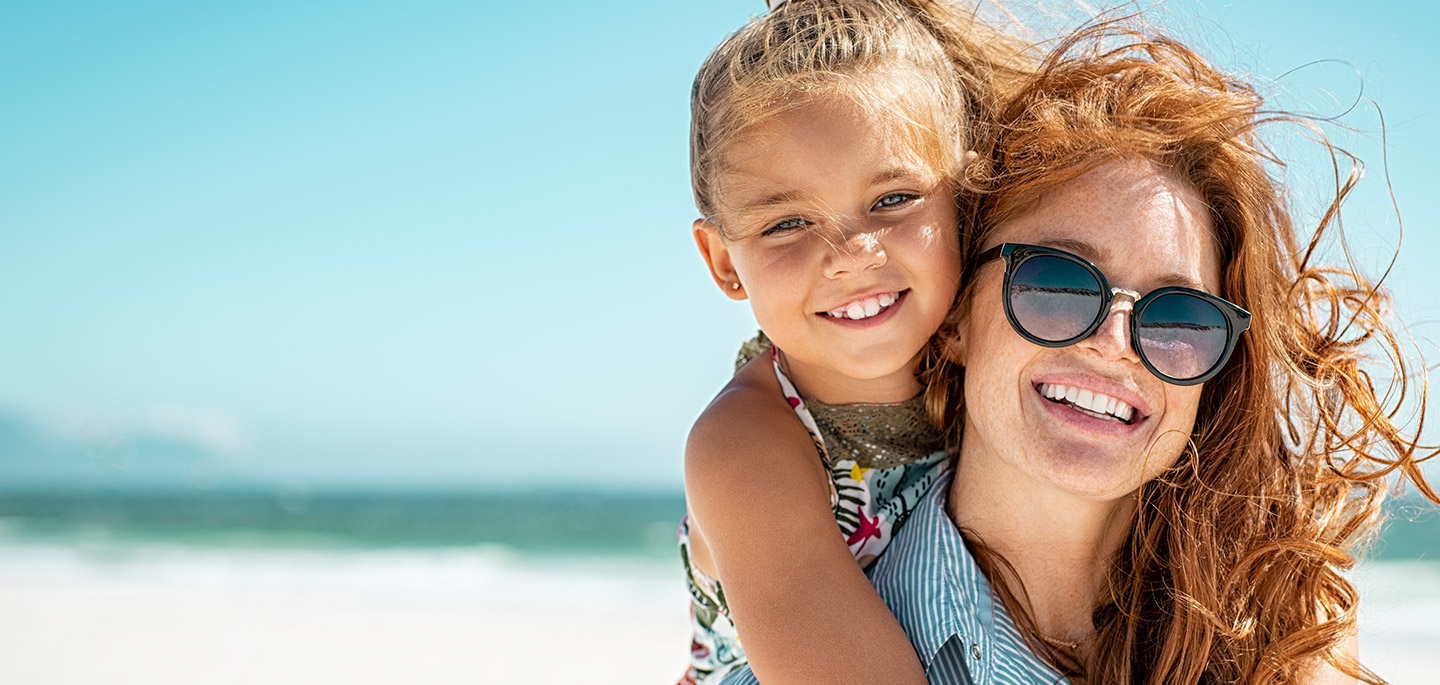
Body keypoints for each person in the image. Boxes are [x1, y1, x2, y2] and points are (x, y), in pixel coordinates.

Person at [723, 16, 1439, 685]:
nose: (1115, 343)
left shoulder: (1286, 629)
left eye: (1178, 318)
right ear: (955, 318)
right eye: (1059, 282)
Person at [677, 0, 1028, 682]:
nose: (851, 254)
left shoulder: (999, 353)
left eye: (893, 199)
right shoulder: (746, 445)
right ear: (723, 262)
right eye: (786, 223)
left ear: (965, 197)